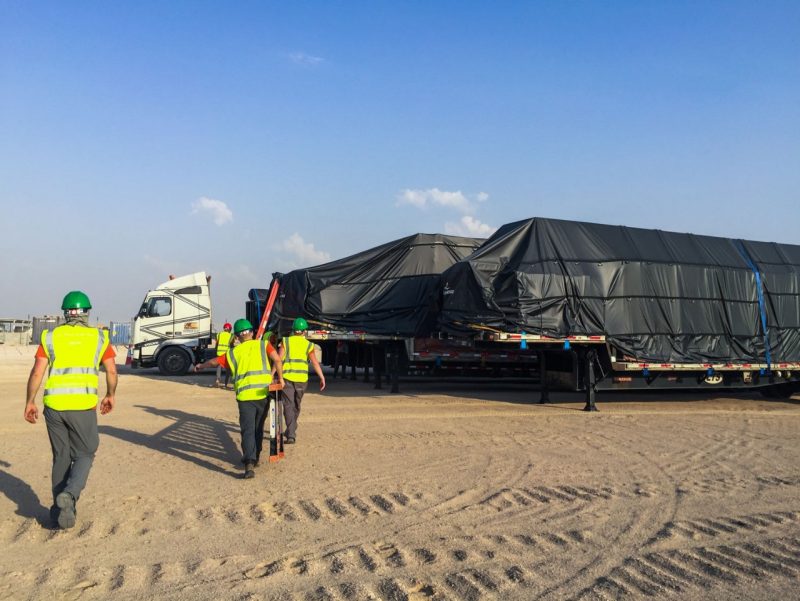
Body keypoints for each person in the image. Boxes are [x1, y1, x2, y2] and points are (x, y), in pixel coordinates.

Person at [24, 291, 117, 529]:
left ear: (65, 312)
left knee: (61, 457)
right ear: (87, 312)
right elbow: (112, 371)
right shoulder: (99, 337)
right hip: (82, 406)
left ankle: (59, 513)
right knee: (86, 452)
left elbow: (37, 372)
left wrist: (30, 401)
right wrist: (110, 395)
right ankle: (70, 495)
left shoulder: (50, 336)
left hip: (54, 406)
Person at [194, 319, 283, 479]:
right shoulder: (263, 345)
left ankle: (249, 462)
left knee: (247, 429)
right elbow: (277, 359)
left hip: (244, 397)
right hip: (263, 394)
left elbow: (214, 362)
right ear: (252, 332)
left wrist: (201, 366)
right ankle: (256, 456)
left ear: (237, 336)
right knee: (258, 427)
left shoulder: (232, 353)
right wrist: (279, 378)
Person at [279, 317, 326, 445]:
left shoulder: (285, 342)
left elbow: (278, 360)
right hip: (301, 380)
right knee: (295, 405)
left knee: (288, 406)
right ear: (304, 331)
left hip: (287, 378)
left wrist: (272, 375)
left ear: (293, 330)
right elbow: (315, 363)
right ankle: (291, 434)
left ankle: (291, 429)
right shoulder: (308, 345)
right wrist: (322, 377)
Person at [214, 322, 233, 389]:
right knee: (228, 368)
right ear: (230, 329)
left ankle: (217, 380)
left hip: (219, 353)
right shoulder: (231, 335)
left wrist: (216, 350)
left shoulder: (219, 334)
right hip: (226, 354)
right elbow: (231, 345)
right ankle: (226, 383)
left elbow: (216, 344)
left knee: (219, 367)